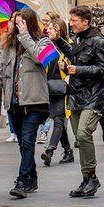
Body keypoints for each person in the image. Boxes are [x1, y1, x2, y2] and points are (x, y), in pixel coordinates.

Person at [0, 10, 51, 198]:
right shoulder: (8, 45)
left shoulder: (44, 41)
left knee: (28, 140)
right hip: (14, 102)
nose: (15, 26)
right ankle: (32, 176)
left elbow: (40, 58)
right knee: (23, 143)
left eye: (20, 22)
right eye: (14, 22)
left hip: (36, 102)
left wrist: (26, 36)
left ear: (29, 24)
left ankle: (22, 181)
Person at [61, 5, 104, 198]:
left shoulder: (98, 41)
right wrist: (66, 65)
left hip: (92, 96)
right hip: (75, 94)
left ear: (86, 22)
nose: (71, 23)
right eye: (71, 20)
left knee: (83, 134)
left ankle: (92, 177)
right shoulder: (78, 39)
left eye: (74, 21)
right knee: (79, 139)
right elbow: (76, 60)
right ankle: (86, 179)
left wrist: (78, 70)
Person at [42, 18, 74, 166]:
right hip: (49, 86)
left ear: (59, 30)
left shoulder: (69, 45)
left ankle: (50, 150)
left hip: (63, 87)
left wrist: (66, 67)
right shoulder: (47, 45)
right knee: (57, 118)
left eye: (50, 28)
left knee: (59, 119)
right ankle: (68, 150)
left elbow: (76, 64)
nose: (47, 30)